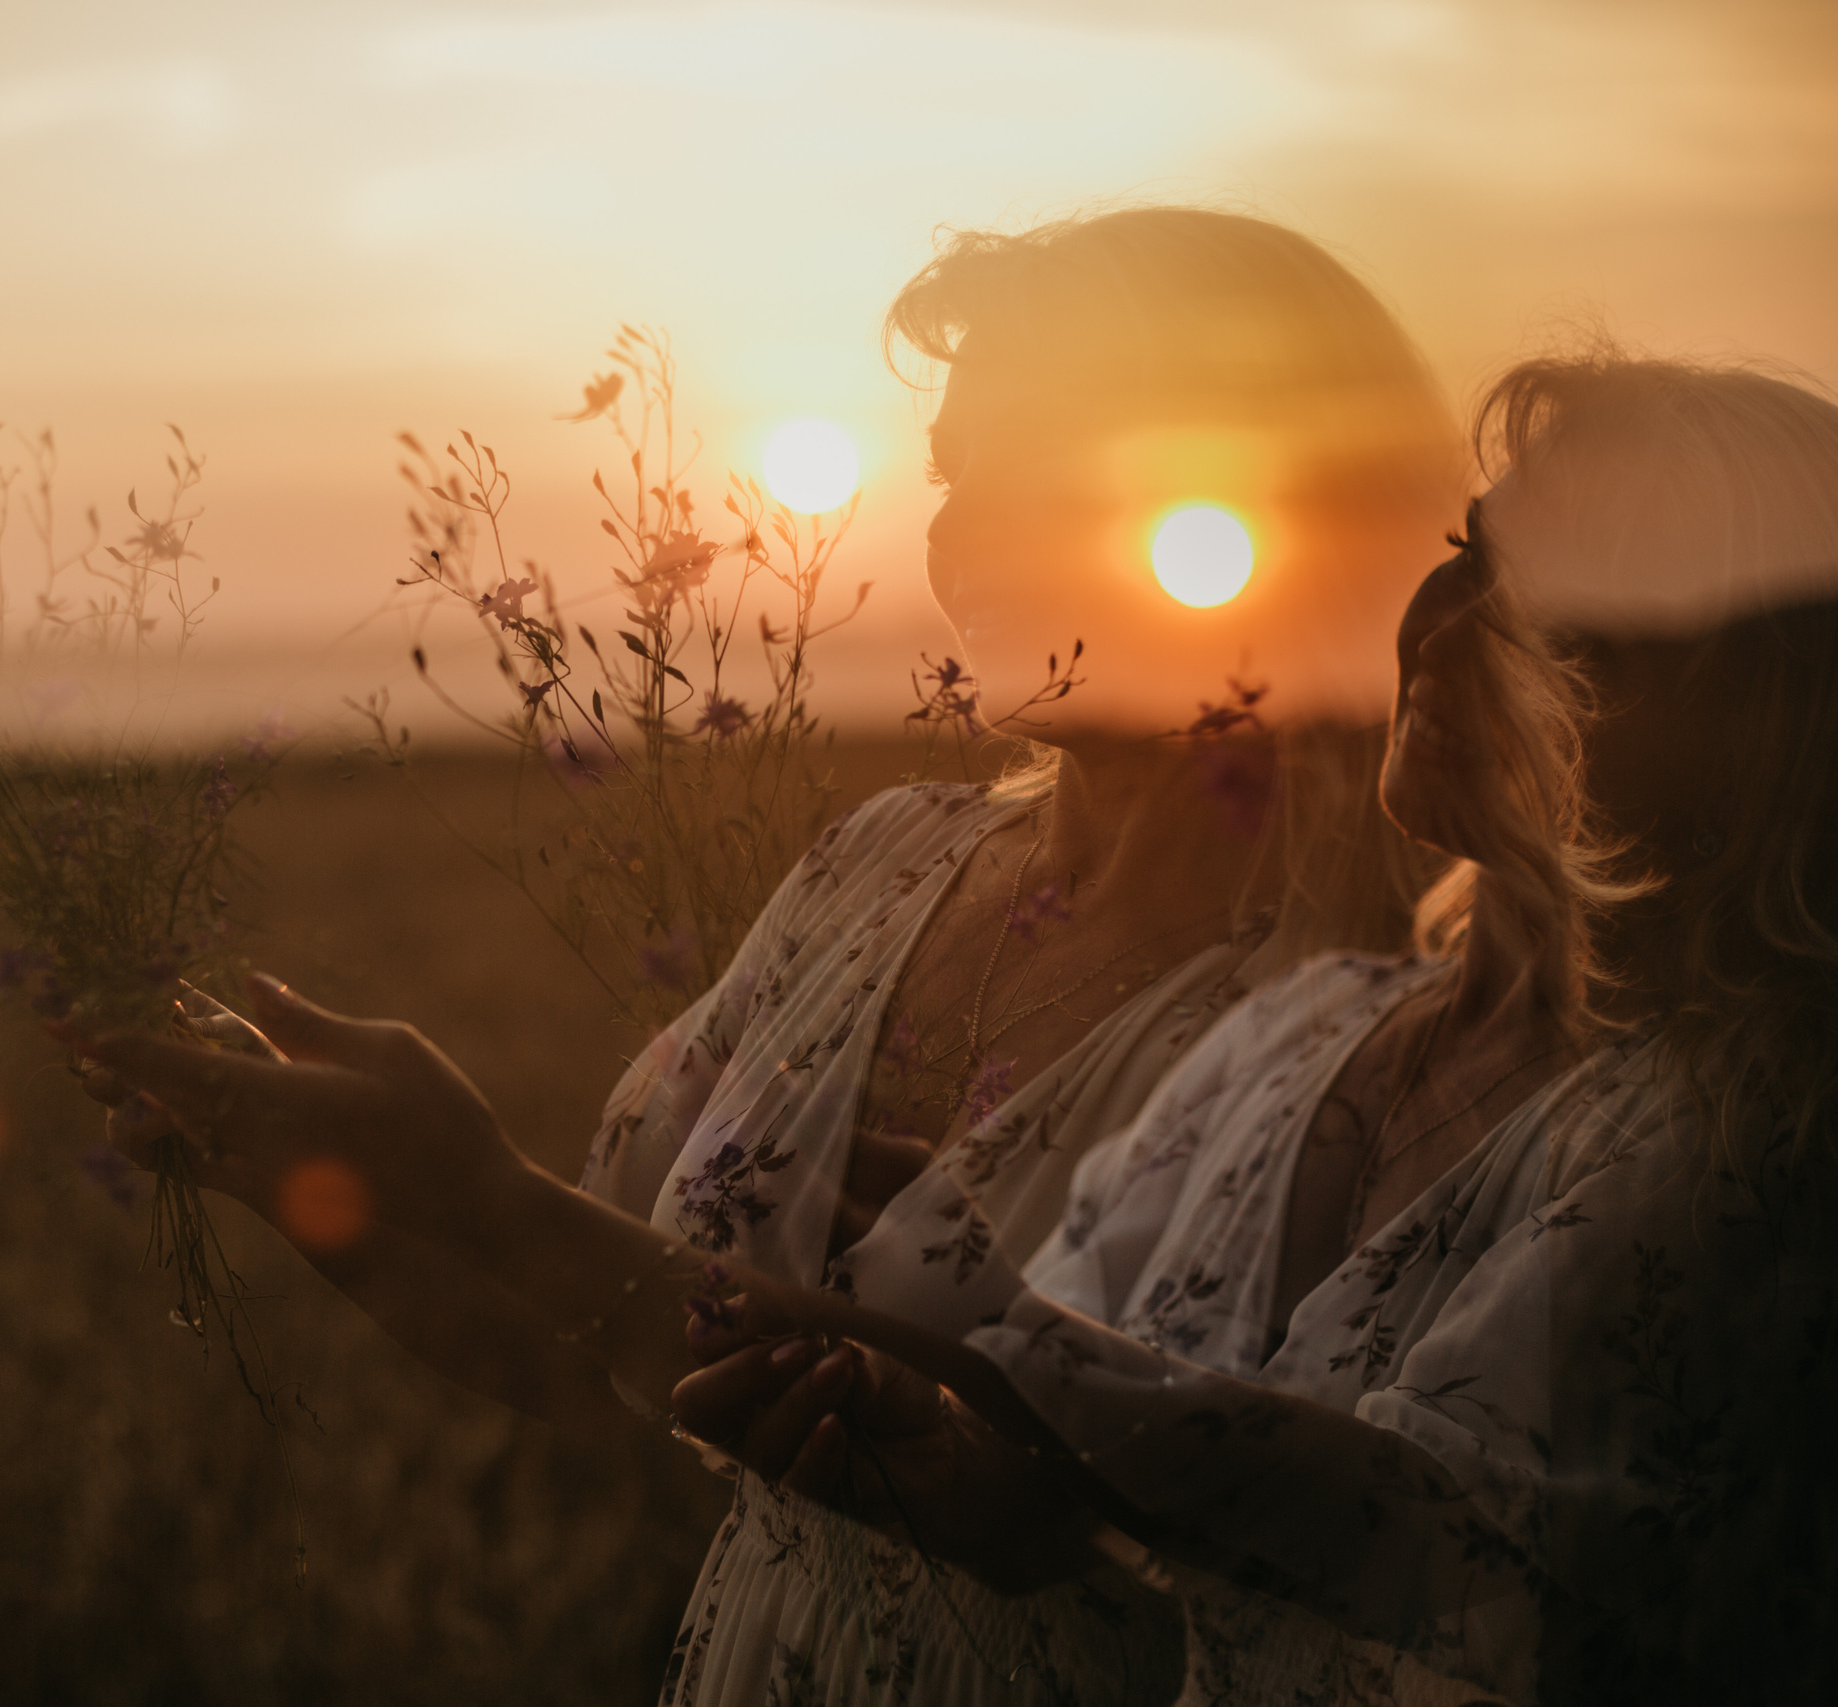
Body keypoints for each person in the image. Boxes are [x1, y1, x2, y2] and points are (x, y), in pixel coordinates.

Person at [73, 206, 1465, 1704]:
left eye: (1056, 471)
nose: (966, 535)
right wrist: (331, 1187)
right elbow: (583, 1351)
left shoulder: (1389, 1006)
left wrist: (472, 1185)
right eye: (958, 476)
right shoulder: (880, 866)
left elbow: (1110, 1519)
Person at [668, 352, 1838, 1703]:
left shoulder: (1753, 1128)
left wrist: (989, 1329)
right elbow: (1126, 1477)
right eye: (1465, 556)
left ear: (1766, 723)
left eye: (1554, 614)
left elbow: (1439, 1535)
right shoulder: (1313, 1031)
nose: (1440, 630)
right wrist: (962, 1460)